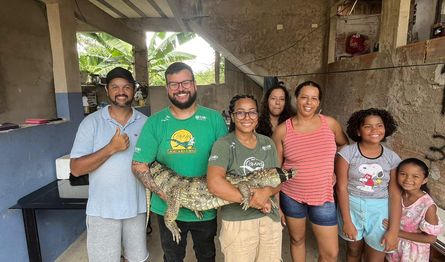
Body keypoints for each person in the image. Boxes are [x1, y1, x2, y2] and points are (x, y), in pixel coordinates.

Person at [131, 62, 228, 262]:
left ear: (194, 85)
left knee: (207, 255)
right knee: (173, 257)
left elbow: (226, 163)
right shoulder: (155, 123)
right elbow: (139, 165)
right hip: (167, 209)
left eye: (185, 82)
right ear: (167, 88)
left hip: (205, 206)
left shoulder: (214, 120)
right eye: (173, 84)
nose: (180, 88)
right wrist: (169, 197)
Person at [70, 67, 148, 262]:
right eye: (115, 87)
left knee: (137, 259)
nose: (121, 92)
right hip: (102, 210)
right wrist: (111, 148)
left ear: (134, 89)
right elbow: (76, 168)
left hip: (137, 207)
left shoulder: (146, 123)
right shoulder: (91, 123)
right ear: (107, 90)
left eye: (126, 87)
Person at [272, 80, 348, 261]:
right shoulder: (282, 131)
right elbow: (275, 171)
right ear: (296, 99)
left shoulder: (330, 124)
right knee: (297, 240)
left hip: (323, 196)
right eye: (304, 97)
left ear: (319, 102)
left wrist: (335, 171)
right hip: (291, 196)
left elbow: (344, 146)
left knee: (330, 253)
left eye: (314, 98)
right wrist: (277, 204)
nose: (308, 102)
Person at [207, 94, 283, 262]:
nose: (247, 117)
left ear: (258, 115)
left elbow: (278, 181)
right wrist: (254, 200)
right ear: (232, 116)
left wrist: (267, 192)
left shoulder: (268, 143)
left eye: (252, 112)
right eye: (240, 113)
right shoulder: (223, 145)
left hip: (270, 220)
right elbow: (214, 184)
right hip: (238, 224)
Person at [336, 108, 402, 261]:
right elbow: (341, 188)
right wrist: (347, 221)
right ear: (358, 131)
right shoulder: (347, 153)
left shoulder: (392, 158)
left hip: (380, 210)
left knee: (376, 255)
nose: (375, 130)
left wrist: (393, 230)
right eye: (368, 126)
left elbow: (394, 194)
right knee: (353, 251)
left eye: (379, 125)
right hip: (351, 207)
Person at [385, 158, 443, 261]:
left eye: (415, 176)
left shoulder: (427, 206)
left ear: (424, 180)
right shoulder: (397, 195)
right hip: (395, 245)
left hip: (413, 254)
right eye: (403, 174)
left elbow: (431, 238)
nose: (408, 179)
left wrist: (395, 231)